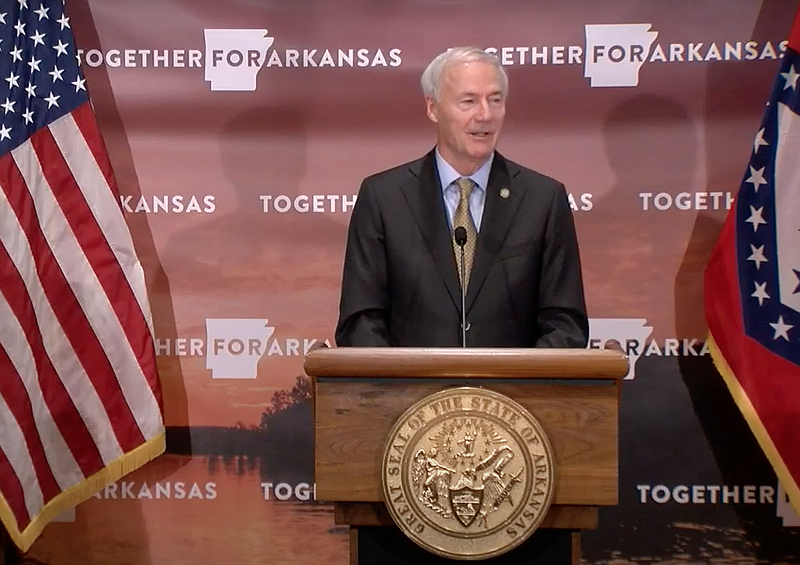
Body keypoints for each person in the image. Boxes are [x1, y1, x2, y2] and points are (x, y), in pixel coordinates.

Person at [335, 47, 588, 348]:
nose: (485, 115)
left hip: (513, 394)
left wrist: (516, 390)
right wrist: (401, 390)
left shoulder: (543, 200)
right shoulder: (383, 199)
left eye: (495, 100)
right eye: (468, 101)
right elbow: (361, 321)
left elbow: (565, 324)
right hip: (410, 393)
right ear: (433, 108)